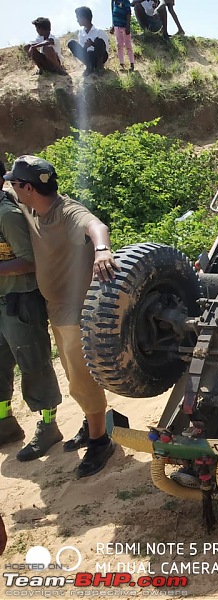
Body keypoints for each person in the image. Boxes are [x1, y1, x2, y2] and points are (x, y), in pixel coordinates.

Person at [4, 155, 119, 479]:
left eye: (16, 183)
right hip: (57, 309)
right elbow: (5, 188)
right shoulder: (30, 206)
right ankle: (91, 422)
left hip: (76, 311)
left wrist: (102, 250)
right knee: (76, 377)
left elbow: (96, 225)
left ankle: (100, 440)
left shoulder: (68, 212)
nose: (12, 187)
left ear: (28, 187)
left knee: (81, 380)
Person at [0, 161, 63, 461]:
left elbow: (29, 261)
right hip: (4, 300)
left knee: (34, 364)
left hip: (20, 301)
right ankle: (5, 424)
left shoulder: (7, 214)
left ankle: (49, 426)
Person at [67, 7, 110, 76]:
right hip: (89, 58)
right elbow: (82, 51)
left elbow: (105, 48)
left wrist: (93, 44)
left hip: (100, 58)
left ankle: (99, 67)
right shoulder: (81, 33)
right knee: (71, 43)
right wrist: (86, 46)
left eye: (78, 18)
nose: (77, 20)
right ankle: (89, 67)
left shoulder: (99, 32)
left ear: (84, 18)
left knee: (99, 41)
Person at [111, 0, 135, 71]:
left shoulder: (126, 1)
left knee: (128, 46)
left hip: (124, 26)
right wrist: (113, 26)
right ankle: (121, 64)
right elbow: (114, 14)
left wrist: (128, 26)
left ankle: (132, 64)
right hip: (117, 27)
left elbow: (128, 13)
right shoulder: (115, 2)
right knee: (119, 45)